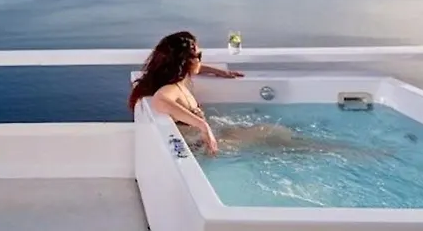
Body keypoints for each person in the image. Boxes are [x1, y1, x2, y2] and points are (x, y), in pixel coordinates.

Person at [128, 31, 361, 156]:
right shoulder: (170, 89)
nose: (201, 59)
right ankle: (340, 152)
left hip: (207, 138)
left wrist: (218, 71)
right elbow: (160, 100)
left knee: (274, 132)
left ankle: (330, 149)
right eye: (198, 56)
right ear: (184, 62)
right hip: (202, 147)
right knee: (282, 142)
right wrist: (203, 126)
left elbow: (192, 71)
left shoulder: (179, 79)